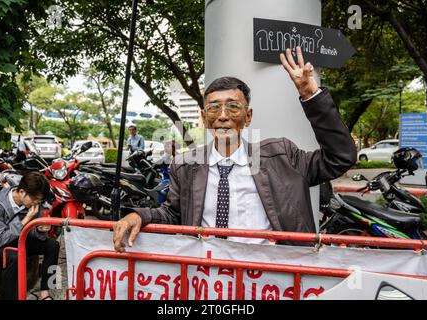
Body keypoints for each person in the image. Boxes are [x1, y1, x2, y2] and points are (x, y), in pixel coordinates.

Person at [113, 47, 357, 251]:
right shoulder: (186, 166)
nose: (222, 116)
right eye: (214, 108)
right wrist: (139, 215)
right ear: (204, 118)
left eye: (232, 107)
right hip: (210, 278)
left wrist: (311, 96)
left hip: (272, 279)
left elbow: (340, 157)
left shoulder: (282, 156)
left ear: (248, 117)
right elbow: (175, 215)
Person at [0, 171, 60, 300]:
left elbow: (35, 235)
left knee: (52, 245)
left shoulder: (33, 202)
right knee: (15, 257)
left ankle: (45, 292)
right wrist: (26, 220)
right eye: (35, 199)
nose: (36, 203)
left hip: (14, 238)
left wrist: (40, 230)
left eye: (39, 200)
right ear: (22, 192)